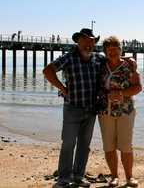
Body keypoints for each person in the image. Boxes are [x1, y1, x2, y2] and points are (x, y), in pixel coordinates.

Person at [43, 28, 104, 188]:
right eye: (84, 40)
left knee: (85, 145)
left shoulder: (98, 59)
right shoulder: (69, 58)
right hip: (72, 108)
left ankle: (78, 176)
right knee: (68, 143)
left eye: (91, 41)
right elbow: (48, 71)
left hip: (91, 110)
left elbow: (114, 61)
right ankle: (63, 178)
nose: (88, 44)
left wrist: (128, 60)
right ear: (78, 41)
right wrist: (63, 89)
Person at [97, 36, 142, 187]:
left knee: (126, 145)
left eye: (115, 49)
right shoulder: (101, 65)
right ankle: (114, 177)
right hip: (105, 111)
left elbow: (138, 87)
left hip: (125, 111)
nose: (112, 52)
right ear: (105, 52)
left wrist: (122, 94)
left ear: (120, 50)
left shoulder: (130, 66)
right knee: (108, 145)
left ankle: (129, 177)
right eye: (108, 50)